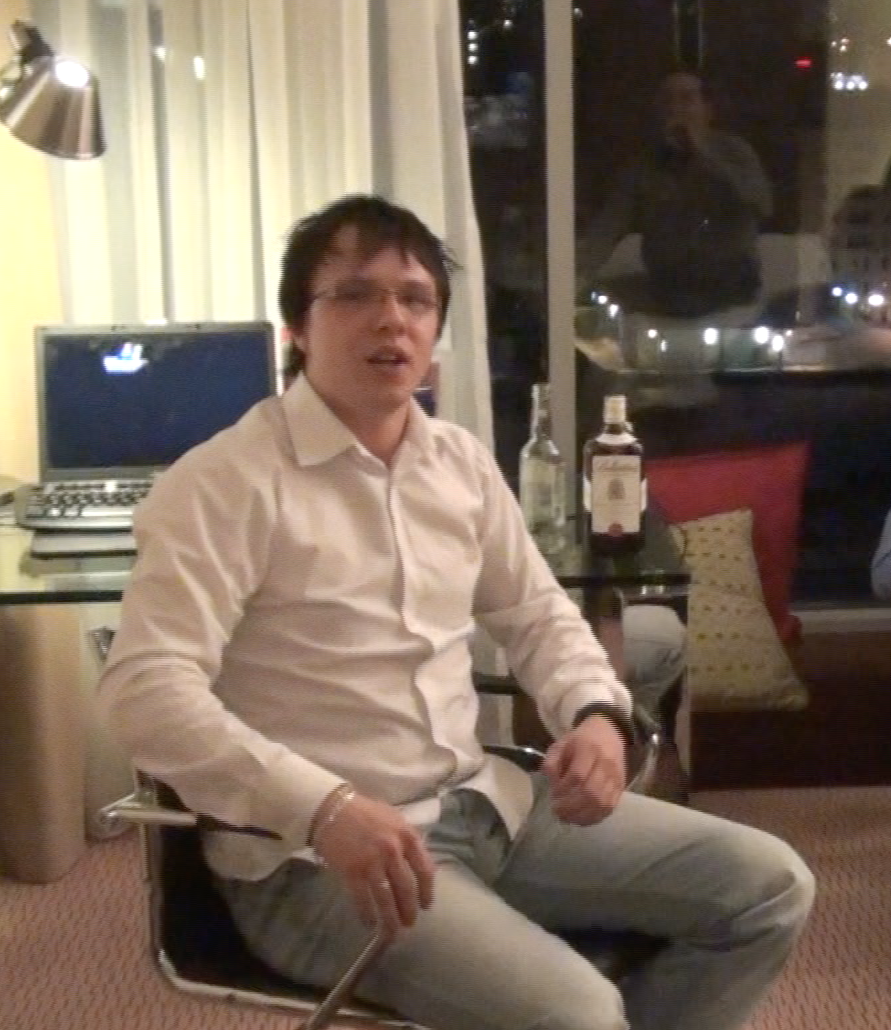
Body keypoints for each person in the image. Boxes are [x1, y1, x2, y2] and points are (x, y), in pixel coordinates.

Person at [99, 194, 813, 1030]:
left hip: (487, 807)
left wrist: (595, 714)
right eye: (355, 294)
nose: (391, 320)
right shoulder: (225, 483)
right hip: (319, 862)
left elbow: (536, 612)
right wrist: (323, 808)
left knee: (770, 887)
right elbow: (144, 694)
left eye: (416, 299)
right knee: (579, 1015)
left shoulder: (458, 463)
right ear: (296, 327)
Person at [578, 69, 773, 318]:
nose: (674, 108)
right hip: (669, 287)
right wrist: (577, 271)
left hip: (729, 285)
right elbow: (610, 224)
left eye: (686, 99)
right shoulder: (645, 165)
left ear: (707, 109)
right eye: (667, 100)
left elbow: (761, 205)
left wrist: (703, 155)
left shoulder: (734, 151)